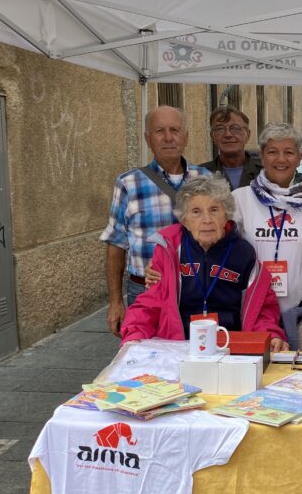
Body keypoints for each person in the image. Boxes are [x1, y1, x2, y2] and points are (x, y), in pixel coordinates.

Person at [120, 175, 286, 348]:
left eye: (214, 209)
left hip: (230, 347)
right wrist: (134, 335)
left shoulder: (244, 253)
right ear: (184, 220)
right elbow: (151, 302)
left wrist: (271, 335)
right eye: (196, 212)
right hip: (179, 346)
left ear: (227, 215)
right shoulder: (170, 250)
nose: (207, 219)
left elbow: (262, 309)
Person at [101, 105, 209, 336]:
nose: (168, 137)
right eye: (159, 131)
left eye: (175, 130)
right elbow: (116, 245)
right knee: (145, 364)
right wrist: (115, 302)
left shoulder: (205, 179)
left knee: (197, 362)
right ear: (147, 138)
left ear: (186, 137)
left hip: (197, 289)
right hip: (145, 290)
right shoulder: (128, 183)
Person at [233, 123, 302, 350]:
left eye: (288, 152)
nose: (281, 159)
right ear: (261, 156)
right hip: (256, 314)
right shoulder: (239, 199)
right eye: (272, 151)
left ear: (299, 158)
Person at [199, 105, 262, 190]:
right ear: (212, 136)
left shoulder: (265, 173)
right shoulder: (200, 175)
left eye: (235, 128)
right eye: (220, 129)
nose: (228, 134)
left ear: (248, 134)